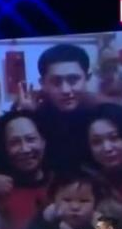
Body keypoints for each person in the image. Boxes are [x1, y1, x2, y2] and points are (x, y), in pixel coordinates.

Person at [16, 43, 103, 172]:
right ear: (43, 84)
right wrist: (28, 118)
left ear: (87, 78)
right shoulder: (37, 114)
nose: (65, 90)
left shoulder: (103, 113)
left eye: (73, 80)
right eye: (56, 82)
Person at [0, 111, 53, 229]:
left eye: (31, 139)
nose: (25, 149)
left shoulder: (63, 184)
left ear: (43, 142)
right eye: (15, 143)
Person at [28, 173, 100, 229]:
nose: (75, 207)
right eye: (67, 200)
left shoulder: (98, 226)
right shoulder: (44, 223)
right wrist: (46, 221)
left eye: (84, 201)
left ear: (95, 203)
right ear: (53, 201)